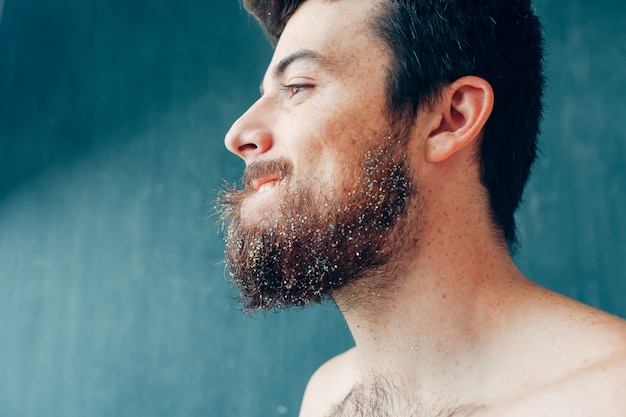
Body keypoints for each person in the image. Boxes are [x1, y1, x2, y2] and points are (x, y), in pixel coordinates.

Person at [218, 0, 626, 415]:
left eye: (298, 86)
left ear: (450, 118)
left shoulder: (608, 396)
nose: (238, 134)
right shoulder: (325, 399)